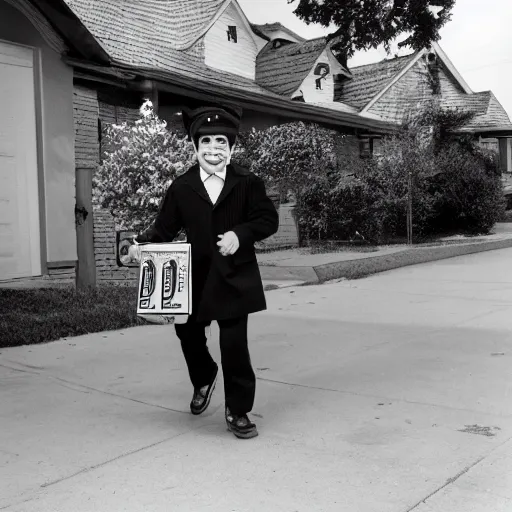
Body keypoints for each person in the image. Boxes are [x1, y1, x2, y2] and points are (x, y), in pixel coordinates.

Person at [129, 104, 279, 439]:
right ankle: (204, 376)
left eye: (221, 142)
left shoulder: (247, 183)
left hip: (234, 276)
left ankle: (237, 409)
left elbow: (268, 219)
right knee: (188, 334)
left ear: (232, 148)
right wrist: (142, 244)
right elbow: (163, 229)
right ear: (195, 148)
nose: (214, 148)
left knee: (234, 343)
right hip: (193, 277)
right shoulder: (182, 187)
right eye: (207, 141)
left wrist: (240, 235)